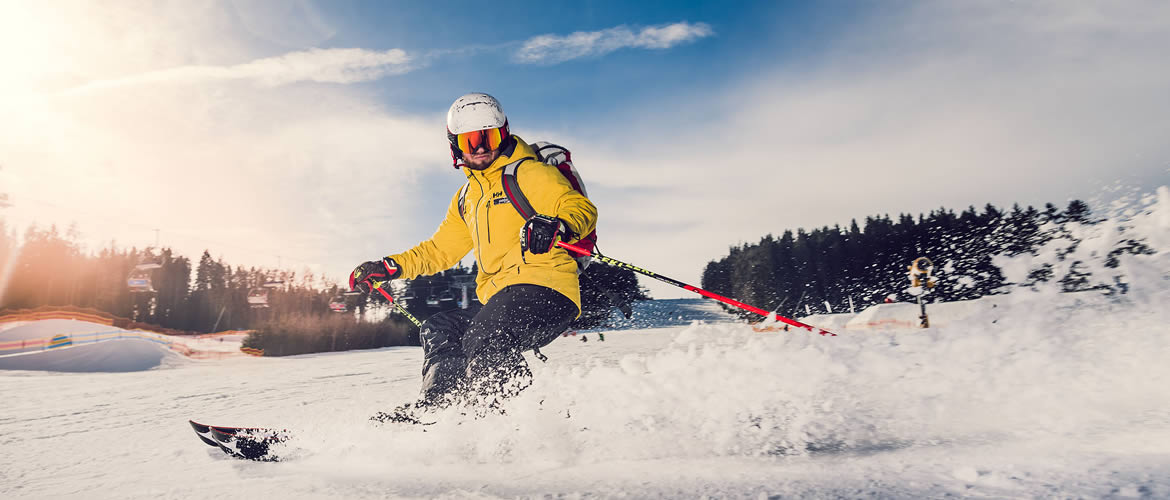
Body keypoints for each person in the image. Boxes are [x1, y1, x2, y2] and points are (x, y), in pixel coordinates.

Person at [350, 93, 598, 423]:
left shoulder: (527, 173)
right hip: (501, 300)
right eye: (471, 140)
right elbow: (438, 250)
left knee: (487, 334)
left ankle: (509, 421)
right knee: (441, 327)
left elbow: (579, 207)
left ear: (504, 134)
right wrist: (388, 266)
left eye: (489, 136)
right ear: (456, 147)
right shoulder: (468, 198)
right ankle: (440, 412)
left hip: (547, 291)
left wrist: (558, 224)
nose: (481, 148)